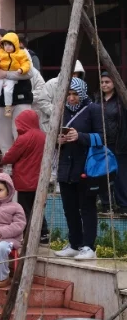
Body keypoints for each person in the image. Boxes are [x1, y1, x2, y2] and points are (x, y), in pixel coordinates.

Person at [54, 78, 104, 261]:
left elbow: (103, 136)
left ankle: (89, 246)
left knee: (87, 207)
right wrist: (58, 141)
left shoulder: (93, 109)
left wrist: (80, 136)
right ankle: (74, 244)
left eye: (75, 94)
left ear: (82, 94)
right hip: (66, 167)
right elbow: (53, 137)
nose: (71, 98)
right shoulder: (62, 111)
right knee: (69, 208)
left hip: (87, 167)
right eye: (68, 94)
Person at [0, 109, 50, 243]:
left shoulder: (25, 137)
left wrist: (3, 159)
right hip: (40, 179)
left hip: (25, 180)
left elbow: (11, 156)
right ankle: (43, 233)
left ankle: (28, 236)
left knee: (25, 209)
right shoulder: (43, 136)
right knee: (37, 207)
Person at [96, 72, 127, 214]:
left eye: (107, 82)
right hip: (102, 143)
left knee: (120, 175)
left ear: (114, 83)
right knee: (103, 173)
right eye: (102, 82)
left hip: (118, 143)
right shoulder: (98, 100)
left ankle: (123, 205)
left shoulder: (121, 101)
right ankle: (106, 204)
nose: (104, 85)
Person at [0, 33, 32, 120]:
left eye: (9, 44)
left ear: (15, 44)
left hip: (11, 78)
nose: (7, 47)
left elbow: (27, 65)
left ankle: (8, 108)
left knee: (8, 91)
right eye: (5, 44)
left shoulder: (21, 53)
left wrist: (21, 70)